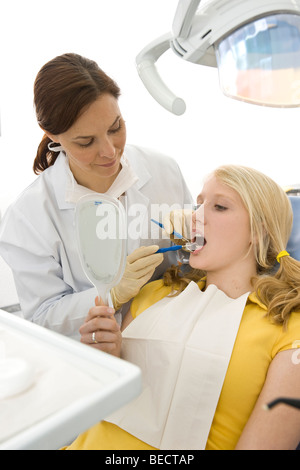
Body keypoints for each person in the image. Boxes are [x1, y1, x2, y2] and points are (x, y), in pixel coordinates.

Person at [65, 165, 300, 450]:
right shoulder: (153, 293)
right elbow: (100, 401)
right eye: (198, 204)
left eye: (220, 207)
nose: (194, 217)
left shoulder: (289, 328)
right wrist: (106, 356)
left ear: (259, 232)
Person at [0, 53, 193, 340]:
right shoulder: (28, 217)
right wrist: (109, 294)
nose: (109, 151)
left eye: (115, 128)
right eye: (86, 142)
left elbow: (195, 262)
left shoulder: (163, 170)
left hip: (175, 333)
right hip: (97, 355)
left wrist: (196, 235)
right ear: (53, 135)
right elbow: (42, 318)